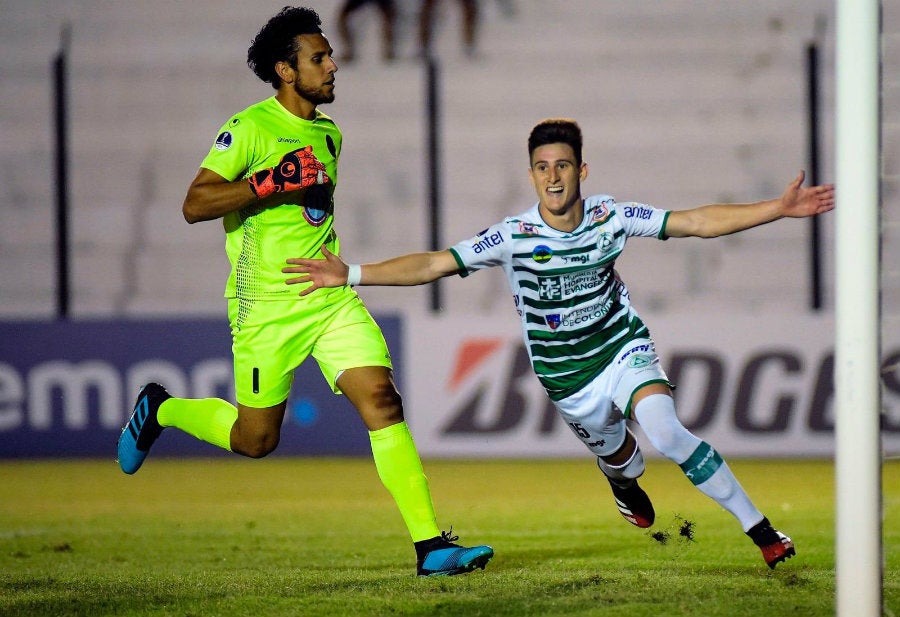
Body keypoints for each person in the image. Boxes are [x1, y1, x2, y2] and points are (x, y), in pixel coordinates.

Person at [284, 118, 836, 569]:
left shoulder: (611, 216)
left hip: (622, 347)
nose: (553, 177)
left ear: (582, 170)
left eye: (563, 166)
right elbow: (434, 263)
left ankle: (763, 532)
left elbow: (693, 221)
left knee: (667, 430)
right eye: (543, 168)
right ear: (532, 176)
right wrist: (352, 273)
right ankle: (621, 481)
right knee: (627, 462)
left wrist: (777, 208)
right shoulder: (513, 236)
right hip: (568, 380)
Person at [116, 6, 493, 578]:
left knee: (383, 401)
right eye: (319, 58)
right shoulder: (249, 128)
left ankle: (431, 546)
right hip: (264, 308)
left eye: (329, 55)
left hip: (329, 296)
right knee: (255, 440)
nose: (333, 65)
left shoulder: (328, 133)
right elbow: (195, 205)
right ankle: (161, 408)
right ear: (285, 71)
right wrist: (266, 182)